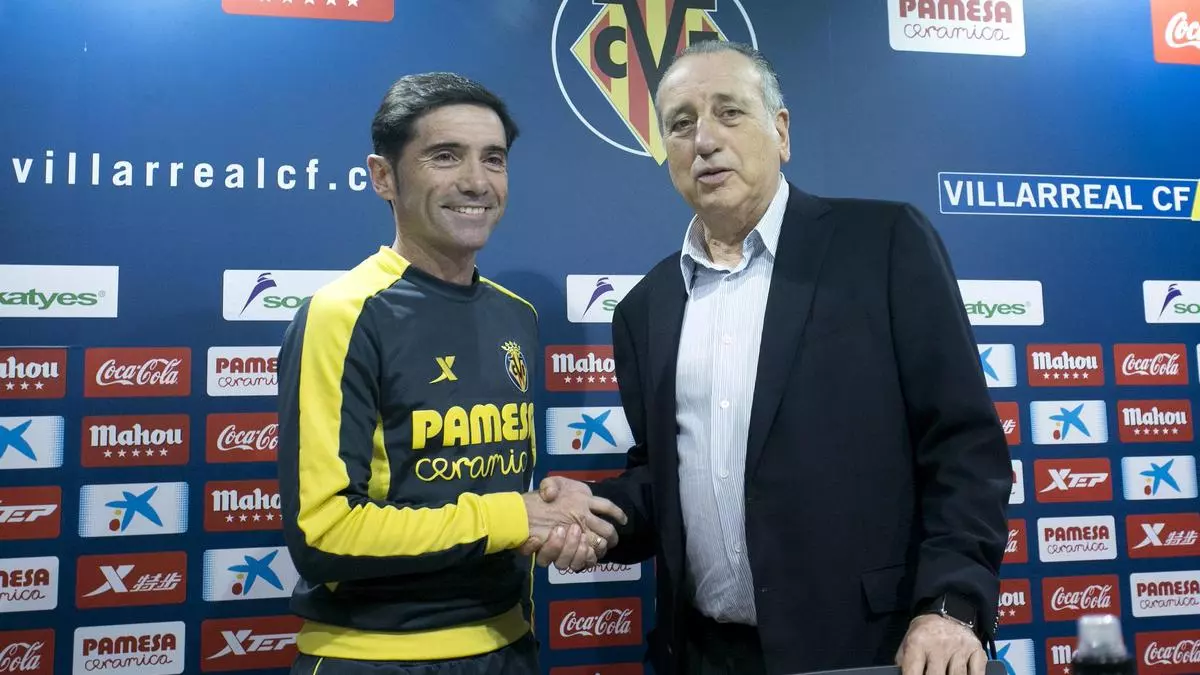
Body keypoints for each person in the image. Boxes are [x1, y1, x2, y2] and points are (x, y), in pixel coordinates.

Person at [534, 41, 1012, 675]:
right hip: (702, 656)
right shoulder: (646, 307)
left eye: (729, 112)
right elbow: (663, 481)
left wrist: (950, 607)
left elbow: (964, 448)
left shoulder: (884, 245)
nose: (705, 140)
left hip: (867, 650)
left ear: (780, 132)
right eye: (681, 124)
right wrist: (598, 513)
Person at [276, 72, 626, 675]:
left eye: (494, 159)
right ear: (383, 176)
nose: (476, 182)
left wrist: (555, 511)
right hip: (377, 658)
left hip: (509, 645)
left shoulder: (516, 316)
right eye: (445, 156)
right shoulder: (342, 314)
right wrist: (516, 517)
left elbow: (503, 497)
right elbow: (324, 534)